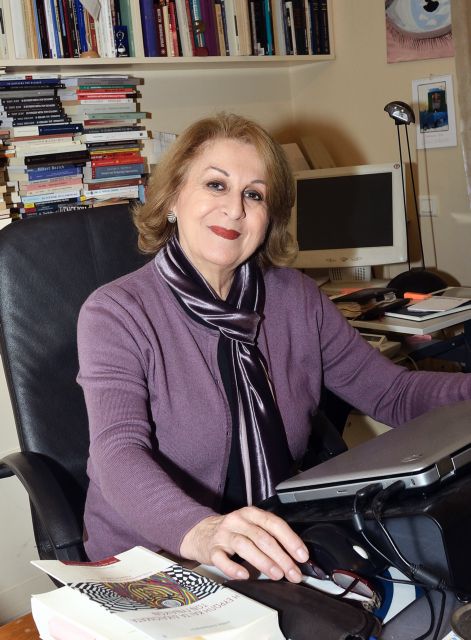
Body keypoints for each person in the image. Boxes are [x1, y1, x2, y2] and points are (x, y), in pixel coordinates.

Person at [77, 112, 471, 584]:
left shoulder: (296, 298)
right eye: (216, 185)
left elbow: (393, 393)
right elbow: (117, 451)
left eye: (255, 194)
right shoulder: (117, 312)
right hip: (156, 558)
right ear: (173, 198)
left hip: (276, 538)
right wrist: (201, 531)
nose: (235, 209)